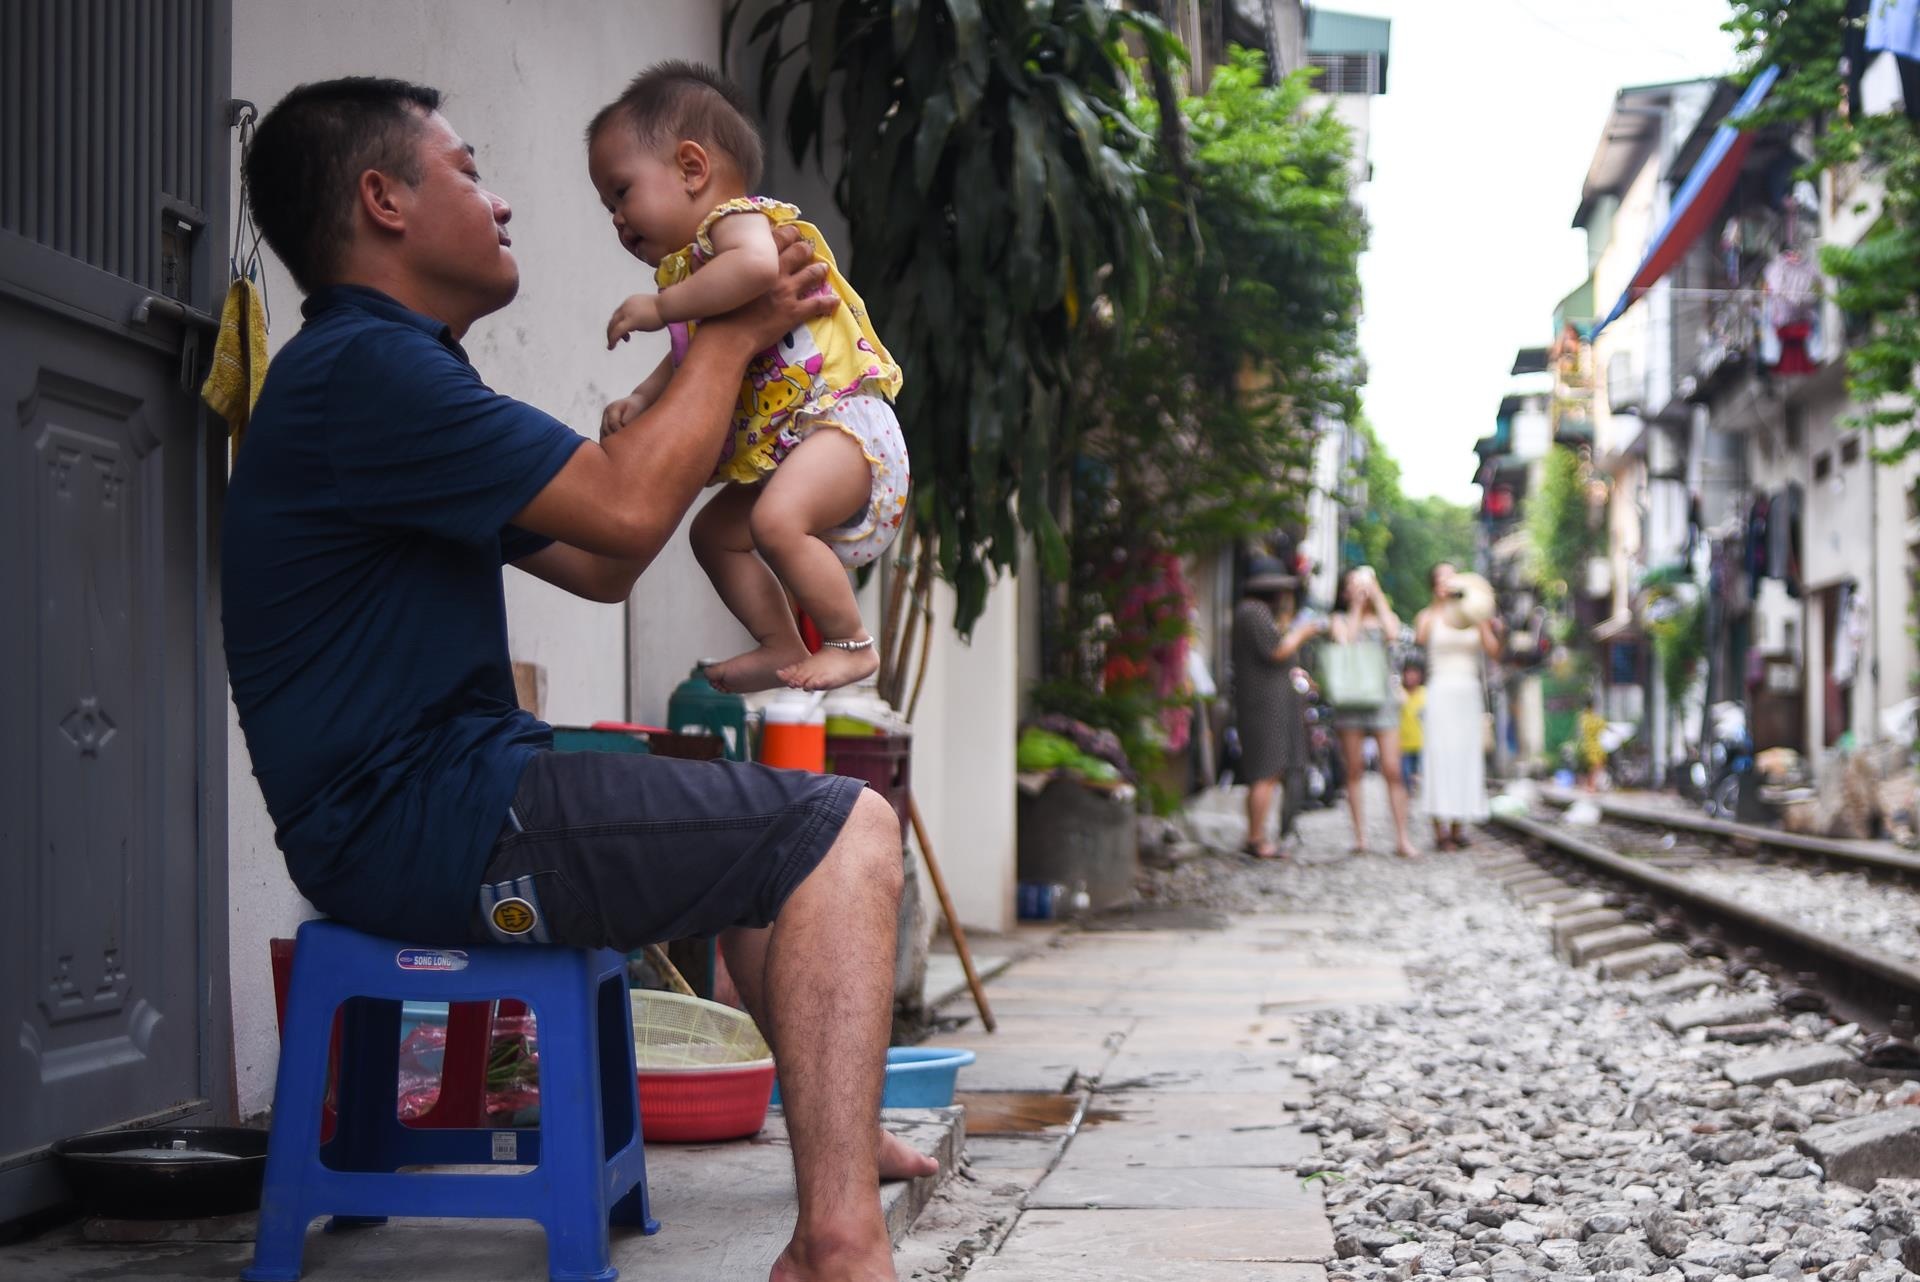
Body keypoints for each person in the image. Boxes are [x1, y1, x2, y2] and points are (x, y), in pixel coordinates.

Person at [224, 77, 924, 1282]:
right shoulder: (367, 374)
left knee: (741, 825)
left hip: (436, 802)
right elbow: (626, 505)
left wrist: (699, 375)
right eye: (467, 170)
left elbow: (607, 558)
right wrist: (736, 333)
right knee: (848, 829)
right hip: (434, 821)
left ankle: (843, 1144)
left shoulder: (389, 374)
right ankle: (837, 1246)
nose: (499, 201)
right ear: (384, 199)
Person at [590, 61, 907, 693]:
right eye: (607, 207)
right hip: (800, 445)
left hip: (843, 426)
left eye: (621, 193)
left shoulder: (737, 225)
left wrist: (659, 307)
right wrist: (644, 397)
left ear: (691, 168)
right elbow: (694, 351)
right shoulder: (699, 274)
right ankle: (776, 642)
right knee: (713, 535)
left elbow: (760, 270)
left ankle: (853, 645)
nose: (617, 221)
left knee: (773, 524)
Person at [1229, 557, 1326, 859]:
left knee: (1265, 770)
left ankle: (1256, 835)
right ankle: (1256, 838)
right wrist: (1302, 632)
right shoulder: (1253, 612)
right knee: (1266, 771)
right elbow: (1277, 651)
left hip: (1264, 703)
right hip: (1263, 707)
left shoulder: (1250, 613)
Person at [1328, 566, 1418, 857]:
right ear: (1343, 591)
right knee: (1353, 769)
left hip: (1382, 699)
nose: (1360, 589)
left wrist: (1376, 594)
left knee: (1392, 769)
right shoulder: (1338, 619)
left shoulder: (1383, 619)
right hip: (1351, 699)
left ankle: (1402, 838)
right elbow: (1348, 644)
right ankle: (1360, 837)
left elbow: (1394, 633)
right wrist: (1355, 605)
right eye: (1353, 584)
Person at [1413, 562, 1500, 850]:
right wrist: (1441, 605)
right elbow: (1420, 639)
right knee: (1439, 755)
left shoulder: (1473, 614)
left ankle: (1459, 826)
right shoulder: (1428, 616)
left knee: (1465, 756)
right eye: (1442, 579)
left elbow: (1493, 650)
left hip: (1467, 692)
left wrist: (1477, 615)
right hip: (1440, 692)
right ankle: (1440, 829)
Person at [1399, 658, 1427, 796]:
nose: (1411, 676)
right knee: (1405, 776)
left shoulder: (1425, 693)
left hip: (1422, 742)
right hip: (1402, 743)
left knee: (1419, 774)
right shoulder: (1399, 693)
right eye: (1408, 672)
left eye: (1414, 672)